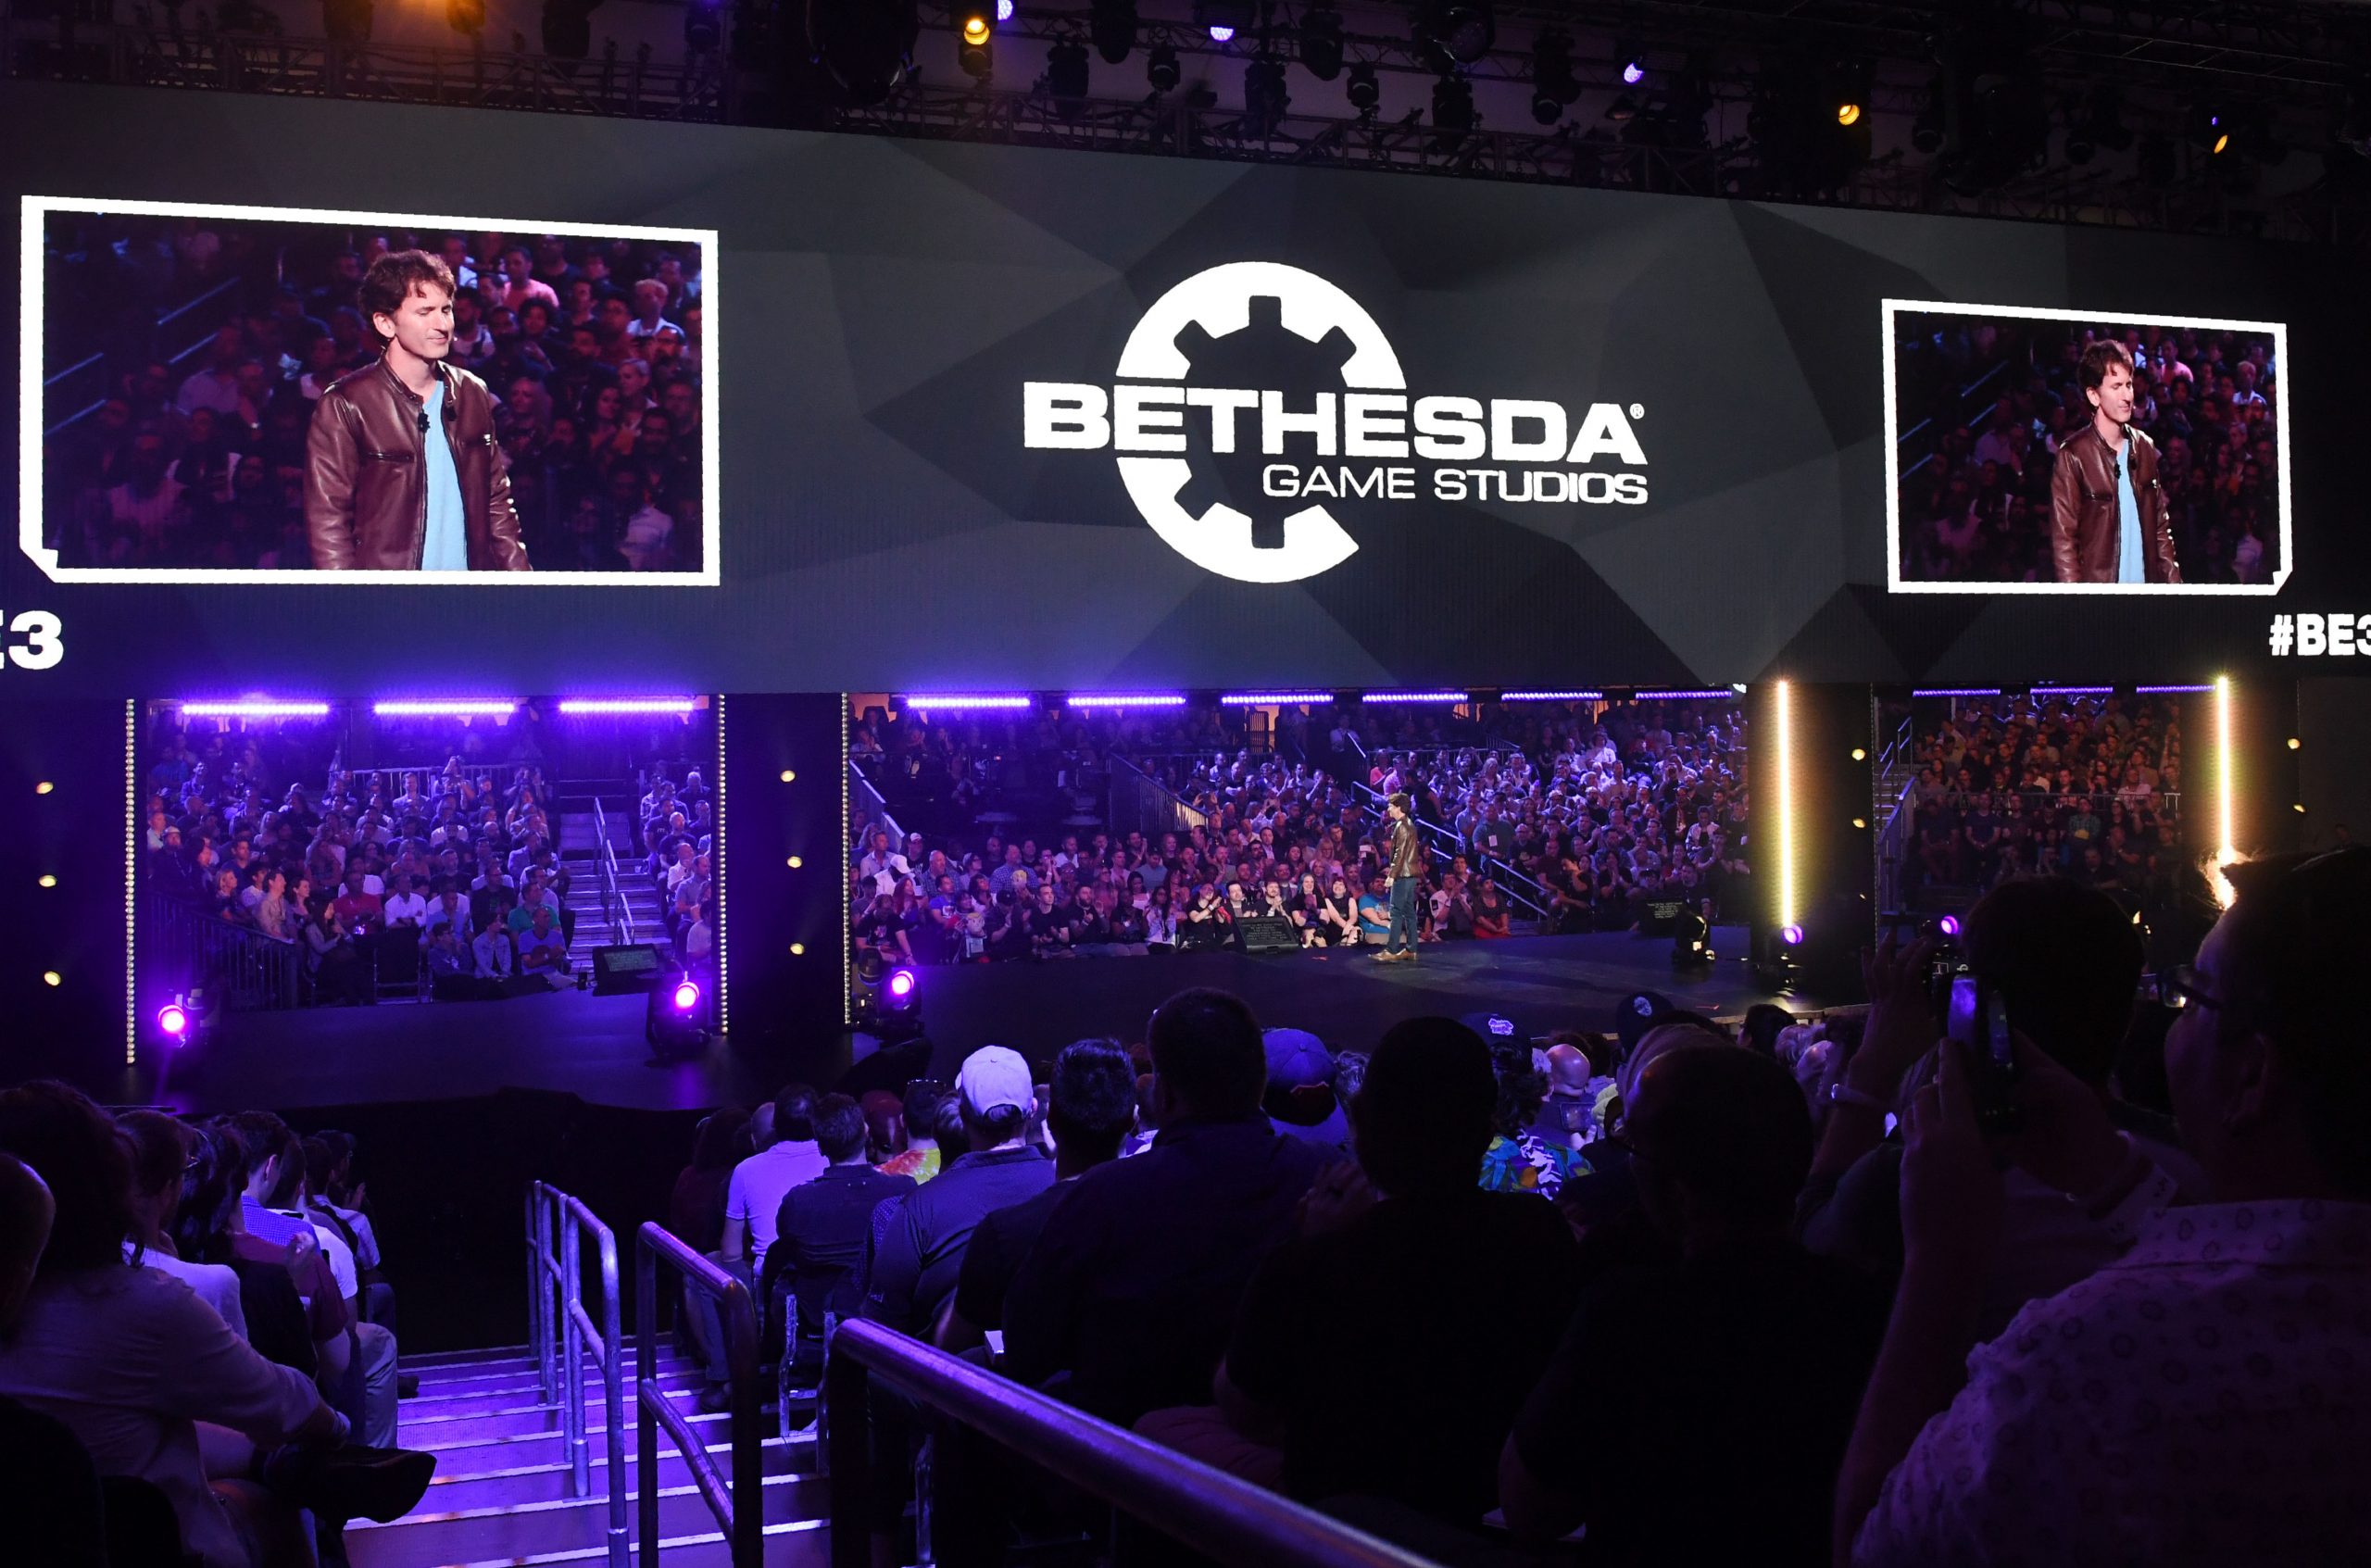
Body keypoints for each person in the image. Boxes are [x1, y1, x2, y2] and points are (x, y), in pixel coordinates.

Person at [1838, 847, 2371, 1566]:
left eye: (2196, 997)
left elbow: (1873, 1541)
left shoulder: (2083, 1367)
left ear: (2253, 1075)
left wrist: (1944, 1255)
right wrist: (2112, 1179)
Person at [1158, 1016, 1583, 1533]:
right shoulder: (1540, 1232)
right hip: (1485, 1496)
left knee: (1156, 1430)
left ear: (1362, 1119)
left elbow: (1245, 1405)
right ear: (1485, 1128)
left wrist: (1310, 1247)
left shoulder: (1316, 1259)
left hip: (1339, 1518)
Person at [1499, 1044, 1888, 1567]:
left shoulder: (1631, 1317)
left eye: (1635, 1145)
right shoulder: (1867, 1307)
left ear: (1677, 1188)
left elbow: (1529, 1509)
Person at [1800, 878, 2205, 1342]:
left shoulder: (1922, 1172)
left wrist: (1873, 1067)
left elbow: (1813, 1235)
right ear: (2130, 1011)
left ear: (1967, 1000)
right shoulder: (2198, 1177)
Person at [1002, 989, 1327, 1426]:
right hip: (1286, 1457)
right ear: (1259, 1081)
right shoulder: (1327, 1180)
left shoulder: (1105, 1198)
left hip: (1126, 1464)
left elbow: (1027, 1344)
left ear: (1165, 1095)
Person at [305, 249, 531, 571]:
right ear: (385, 323)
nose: (442, 324)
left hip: (468, 594)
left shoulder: (471, 392)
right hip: (389, 596)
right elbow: (328, 517)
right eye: (425, 312)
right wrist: (350, 600)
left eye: (446, 310)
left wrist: (521, 584)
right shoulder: (346, 403)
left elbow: (496, 500)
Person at [937, 1039, 1138, 1355]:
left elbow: (948, 1348)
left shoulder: (1003, 1232)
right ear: (1133, 1120)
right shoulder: (1169, 1214)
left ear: (1049, 1121)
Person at [859, 1047, 1053, 1336]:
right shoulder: (1068, 1189)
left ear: (962, 1115)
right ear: (1034, 1109)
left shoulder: (920, 1208)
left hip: (944, 1378)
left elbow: (880, 1328)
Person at [767, 1096, 915, 1386]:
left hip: (820, 1325)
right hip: (888, 1323)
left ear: (820, 1146)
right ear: (867, 1132)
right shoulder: (903, 1188)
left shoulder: (799, 1201)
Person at [2051, 339, 2180, 584]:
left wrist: (2176, 588)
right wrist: (2077, 601)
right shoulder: (2073, 455)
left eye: (2129, 385)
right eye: (2116, 386)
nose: (2127, 395)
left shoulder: (2144, 447)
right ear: (2094, 395)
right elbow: (2064, 540)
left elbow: (2160, 528)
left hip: (2145, 594)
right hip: (2099, 598)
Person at [1378, 792, 1424, 963]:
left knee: (1396, 912)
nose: (1388, 809)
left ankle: (1391, 950)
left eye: (1390, 806)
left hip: (1403, 875)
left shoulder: (1402, 826)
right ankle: (1411, 949)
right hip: (1409, 874)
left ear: (1398, 807)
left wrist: (1392, 875)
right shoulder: (1409, 824)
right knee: (1409, 913)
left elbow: (1400, 853)